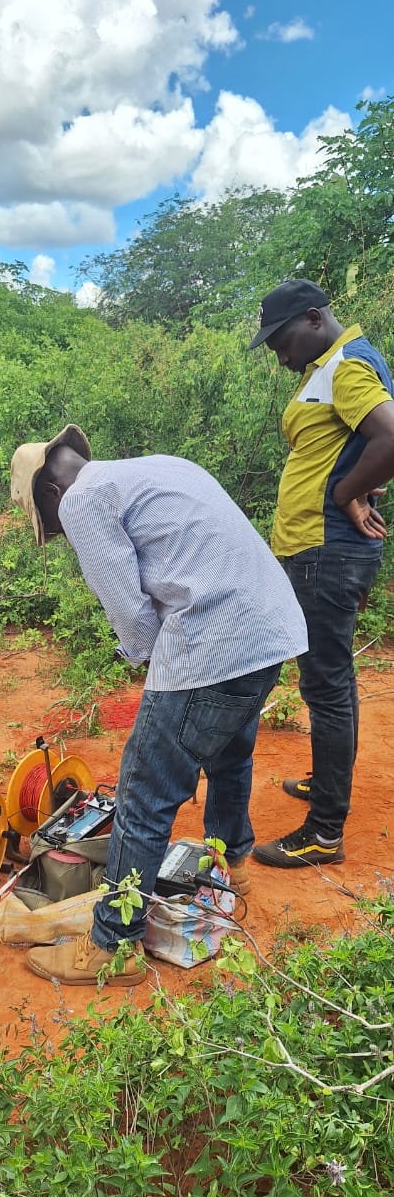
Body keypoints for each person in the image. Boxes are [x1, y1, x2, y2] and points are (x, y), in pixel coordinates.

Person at [10, 425, 307, 985]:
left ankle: (114, 946)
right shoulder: (158, 467)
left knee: (144, 793)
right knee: (228, 755)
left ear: (50, 492)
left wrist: (151, 664)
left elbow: (129, 609)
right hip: (270, 634)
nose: (57, 531)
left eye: (47, 522)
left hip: (213, 642)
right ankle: (230, 869)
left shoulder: (82, 499)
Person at [248, 279, 394, 870]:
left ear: (314, 319)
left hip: (325, 553)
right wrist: (354, 485)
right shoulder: (328, 367)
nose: (280, 357)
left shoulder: (345, 366)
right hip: (320, 552)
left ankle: (324, 833)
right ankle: (328, 780)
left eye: (282, 343)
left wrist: (345, 492)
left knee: (326, 687)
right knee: (334, 681)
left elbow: (390, 437)